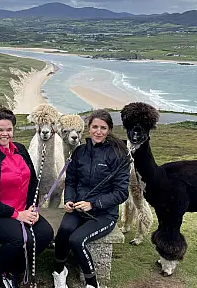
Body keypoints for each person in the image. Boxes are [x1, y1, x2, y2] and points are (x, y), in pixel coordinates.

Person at [0, 106, 54, 288]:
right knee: (19, 238)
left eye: (9, 129)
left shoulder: (21, 150)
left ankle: (14, 270)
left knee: (45, 234)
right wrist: (18, 215)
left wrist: (33, 207)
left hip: (23, 209)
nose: (5, 134)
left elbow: (33, 181)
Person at [52, 109, 130, 288]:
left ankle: (92, 283)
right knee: (64, 230)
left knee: (76, 240)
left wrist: (93, 204)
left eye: (103, 127)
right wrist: (69, 200)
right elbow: (71, 181)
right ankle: (58, 271)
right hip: (78, 207)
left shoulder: (118, 155)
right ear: (88, 128)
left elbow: (121, 193)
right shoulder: (80, 152)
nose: (98, 131)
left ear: (109, 129)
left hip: (104, 214)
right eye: (95, 127)